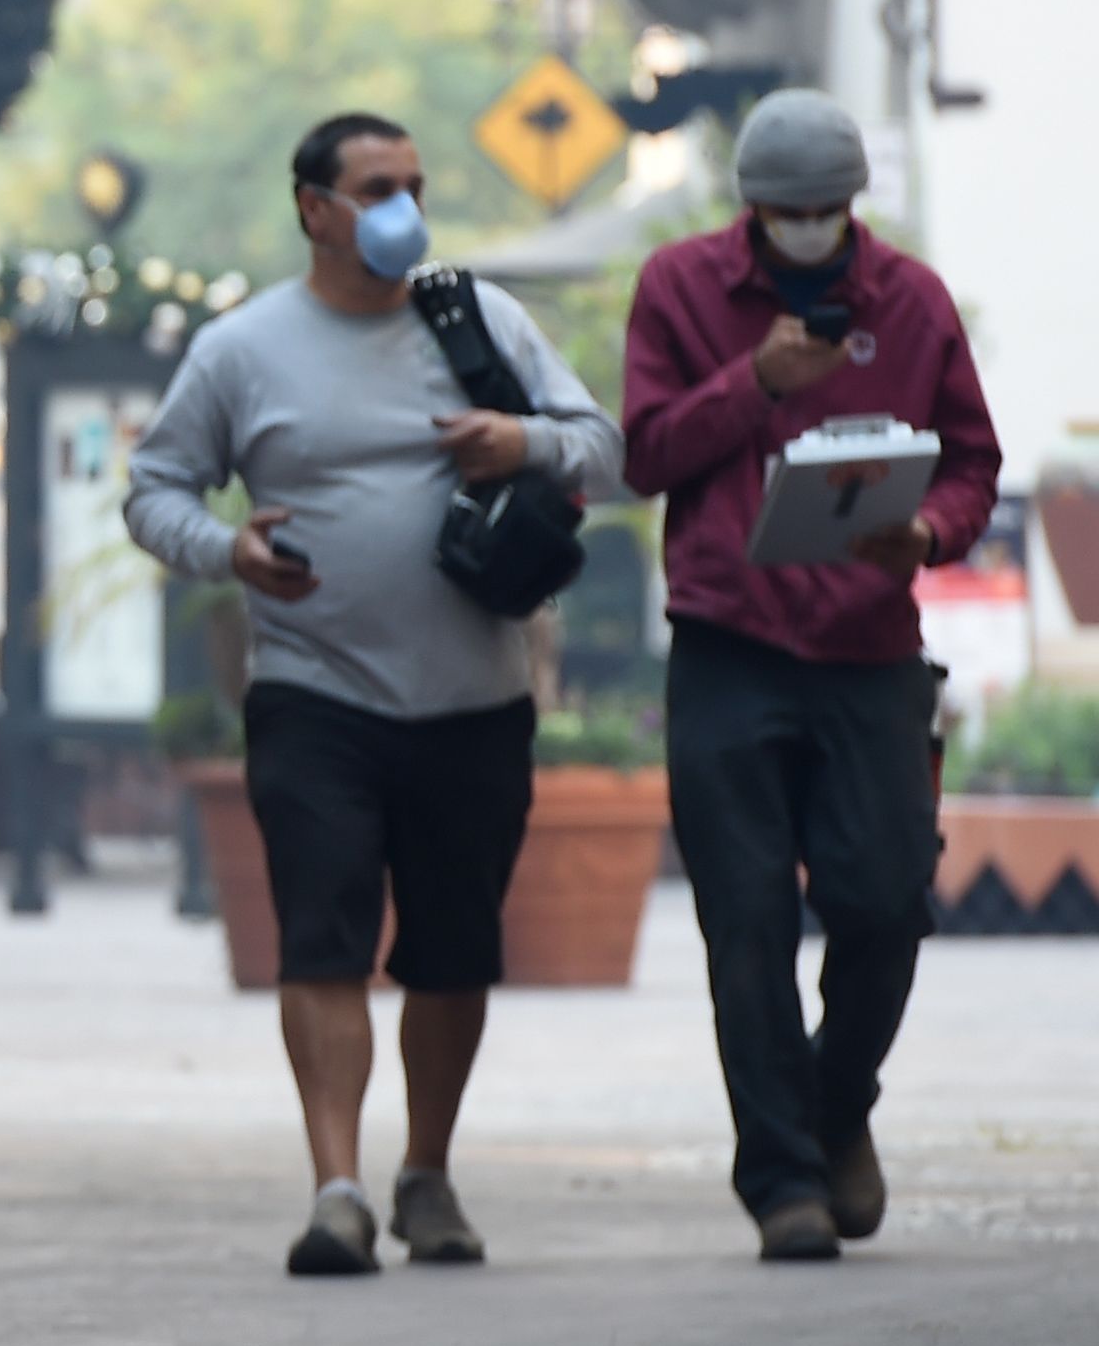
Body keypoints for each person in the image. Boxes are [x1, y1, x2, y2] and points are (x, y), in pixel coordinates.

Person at [125, 113, 614, 1276]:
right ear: (315, 209)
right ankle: (335, 1188)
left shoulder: (477, 320)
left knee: (452, 952)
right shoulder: (244, 348)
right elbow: (153, 490)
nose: (405, 205)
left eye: (415, 182)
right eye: (377, 185)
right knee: (321, 940)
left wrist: (521, 443)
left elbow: (610, 447)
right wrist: (227, 549)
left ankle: (426, 1173)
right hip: (312, 694)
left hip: (475, 697)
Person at [620, 90, 999, 1262]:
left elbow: (970, 464)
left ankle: (838, 1110)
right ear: (748, 207)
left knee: (886, 902)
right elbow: (643, 453)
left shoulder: (913, 300)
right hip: (727, 641)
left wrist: (926, 535)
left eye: (823, 210)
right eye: (783, 211)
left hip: (867, 645)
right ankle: (782, 1176)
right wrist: (758, 381)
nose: (803, 227)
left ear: (852, 205)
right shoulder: (679, 287)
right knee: (743, 917)